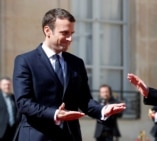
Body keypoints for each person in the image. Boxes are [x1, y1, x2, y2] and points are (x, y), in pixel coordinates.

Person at [12, 8, 126, 141]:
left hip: (70, 136)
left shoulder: (76, 63)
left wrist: (103, 110)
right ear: (47, 30)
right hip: (36, 136)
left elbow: (84, 100)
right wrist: (55, 114)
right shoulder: (25, 61)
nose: (70, 39)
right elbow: (23, 103)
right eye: (65, 33)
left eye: (72, 33)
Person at [0, 77, 20, 141]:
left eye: (8, 84)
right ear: (0, 86)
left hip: (13, 130)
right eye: (5, 84)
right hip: (1, 130)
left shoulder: (14, 98)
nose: (7, 86)